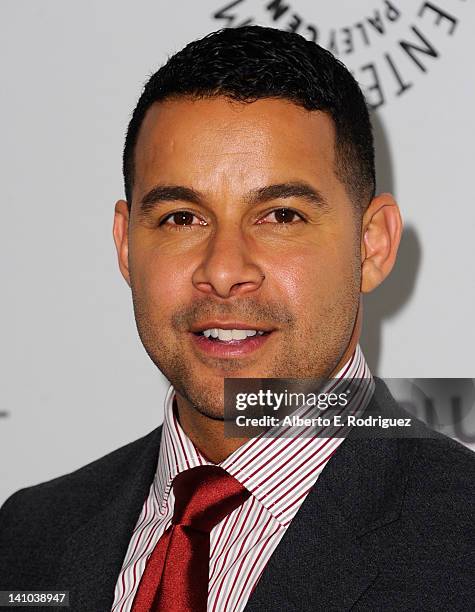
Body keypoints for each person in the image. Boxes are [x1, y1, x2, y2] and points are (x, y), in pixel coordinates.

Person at [0, 25, 473, 612]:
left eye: (280, 215)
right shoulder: (27, 537)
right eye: (180, 218)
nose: (223, 271)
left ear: (372, 245)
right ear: (126, 245)